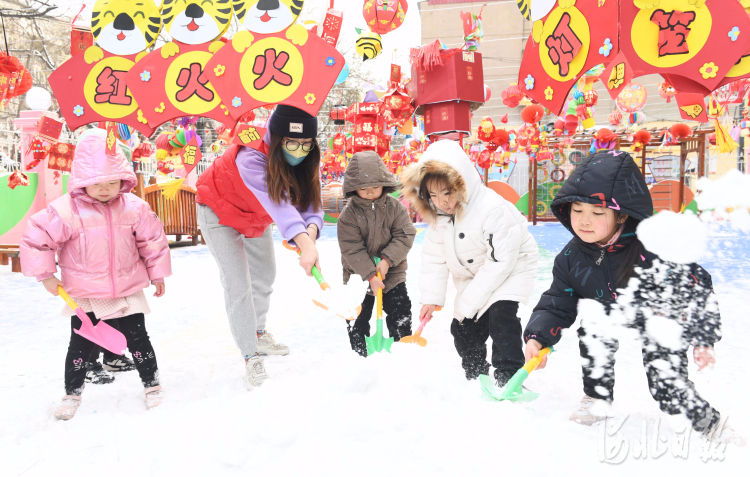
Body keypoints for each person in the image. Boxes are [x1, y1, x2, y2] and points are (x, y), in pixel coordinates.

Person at [523, 150, 725, 436]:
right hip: (608, 309)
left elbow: (698, 285)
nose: (584, 220)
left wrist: (703, 338)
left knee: (667, 388)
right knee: (592, 329)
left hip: (659, 314)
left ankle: (708, 423)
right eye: (577, 210)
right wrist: (537, 336)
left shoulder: (654, 247)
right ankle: (597, 397)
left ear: (620, 216)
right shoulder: (571, 257)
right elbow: (558, 301)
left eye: (597, 212)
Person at [20, 129, 171, 420]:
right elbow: (36, 237)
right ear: (81, 181)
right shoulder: (66, 211)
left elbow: (152, 241)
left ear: (123, 180)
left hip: (127, 289)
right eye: (97, 183)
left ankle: (152, 385)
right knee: (81, 345)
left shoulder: (135, 208)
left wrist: (158, 274)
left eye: (112, 182)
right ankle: (71, 392)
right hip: (86, 295)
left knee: (139, 339)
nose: (105, 189)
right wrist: (45, 274)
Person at [196, 104, 323, 388]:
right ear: (276, 138)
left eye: (306, 144)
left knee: (264, 275)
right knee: (238, 284)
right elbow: (279, 205)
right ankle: (250, 355)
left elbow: (311, 206)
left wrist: (310, 238)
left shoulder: (306, 160)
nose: (300, 150)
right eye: (292, 143)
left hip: (254, 215)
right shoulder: (250, 156)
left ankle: (258, 333)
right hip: (218, 209)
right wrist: (302, 241)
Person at [401, 140, 538, 386]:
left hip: (511, 269)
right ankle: (476, 375)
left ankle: (509, 377)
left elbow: (501, 262)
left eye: (447, 192)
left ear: (462, 183)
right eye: (432, 195)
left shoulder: (492, 209)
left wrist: (469, 302)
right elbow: (434, 257)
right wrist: (431, 297)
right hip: (473, 274)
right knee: (462, 328)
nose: (441, 202)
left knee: (501, 318)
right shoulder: (439, 218)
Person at [337, 151, 416, 356]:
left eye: (375, 187)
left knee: (401, 315)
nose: (370, 192)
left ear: (384, 183)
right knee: (356, 319)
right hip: (358, 275)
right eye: (364, 189)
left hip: (392, 274)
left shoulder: (395, 208)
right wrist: (370, 275)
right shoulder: (348, 216)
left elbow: (405, 233)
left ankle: (402, 354)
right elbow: (351, 248)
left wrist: (387, 260)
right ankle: (360, 357)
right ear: (354, 188)